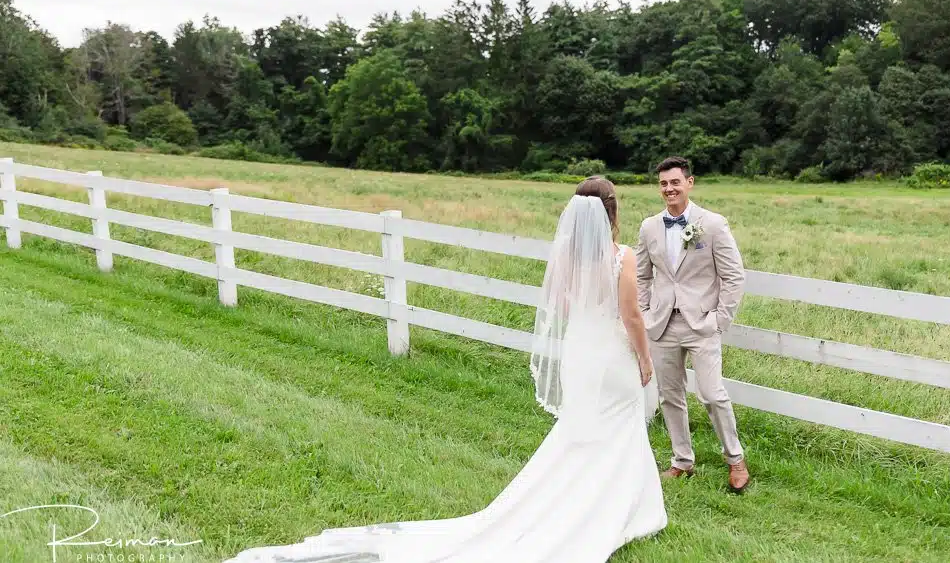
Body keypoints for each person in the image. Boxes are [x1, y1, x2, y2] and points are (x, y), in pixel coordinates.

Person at [223, 176, 667, 563]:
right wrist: (645, 358)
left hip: (580, 352)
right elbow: (630, 316)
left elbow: (563, 305)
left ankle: (576, 497)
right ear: (611, 213)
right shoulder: (621, 256)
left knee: (580, 429)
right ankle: (624, 507)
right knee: (618, 426)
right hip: (610, 353)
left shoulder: (566, 255)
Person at [635, 156, 750, 492]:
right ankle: (682, 462)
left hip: (702, 325)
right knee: (670, 396)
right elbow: (641, 275)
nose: (669, 189)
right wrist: (644, 315)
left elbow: (733, 275)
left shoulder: (712, 224)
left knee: (713, 395)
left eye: (675, 182)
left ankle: (735, 459)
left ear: (689, 183)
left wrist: (719, 320)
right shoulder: (649, 227)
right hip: (661, 325)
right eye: (663, 184)